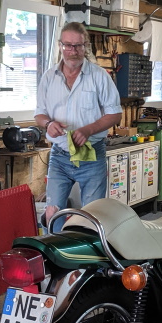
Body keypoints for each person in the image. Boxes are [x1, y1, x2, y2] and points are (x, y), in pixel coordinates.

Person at [35, 22, 122, 228]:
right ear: (60, 45)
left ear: (86, 46)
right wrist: (48, 123)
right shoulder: (48, 77)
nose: (73, 51)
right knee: (52, 214)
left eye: (78, 46)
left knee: (91, 218)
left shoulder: (99, 76)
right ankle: (54, 247)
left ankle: (87, 249)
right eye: (68, 45)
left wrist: (88, 130)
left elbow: (115, 114)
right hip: (60, 156)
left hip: (91, 155)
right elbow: (39, 114)